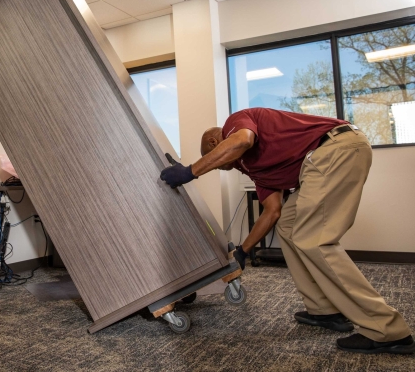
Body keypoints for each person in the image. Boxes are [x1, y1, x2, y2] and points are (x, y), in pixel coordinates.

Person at [160, 107, 413, 354]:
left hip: (334, 148)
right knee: (289, 226)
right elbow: (272, 212)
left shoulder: (236, 123)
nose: (217, 167)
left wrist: (190, 171)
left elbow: (243, 140)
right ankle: (324, 310)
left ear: (216, 140)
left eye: (215, 161)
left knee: (314, 240)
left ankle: (387, 329)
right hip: (321, 162)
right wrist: (243, 251)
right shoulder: (253, 169)